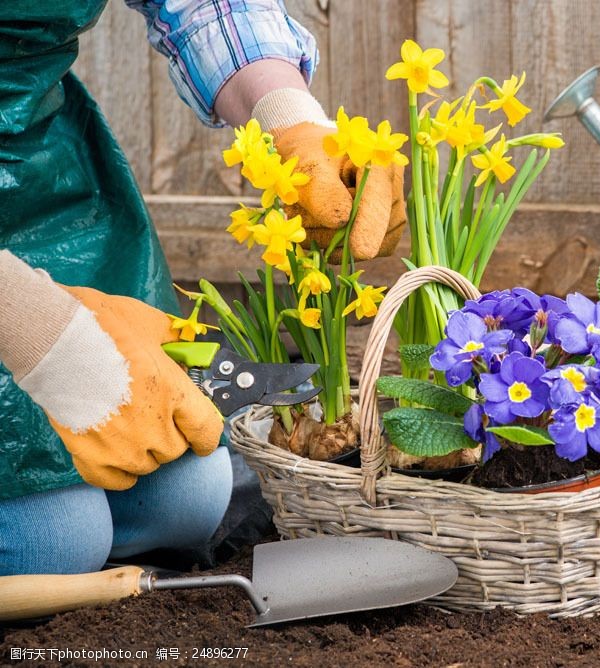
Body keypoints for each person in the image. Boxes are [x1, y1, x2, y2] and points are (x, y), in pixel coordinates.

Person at [0, 0, 404, 577]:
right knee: (56, 542)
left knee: (187, 497)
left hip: (40, 169)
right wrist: (27, 321)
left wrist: (288, 119)